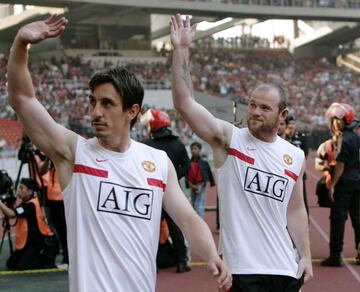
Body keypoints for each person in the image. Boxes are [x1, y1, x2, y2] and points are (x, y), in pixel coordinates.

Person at [7, 16, 232, 292]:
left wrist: (211, 254)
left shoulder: (157, 163)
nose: (95, 112)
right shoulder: (75, 154)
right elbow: (23, 100)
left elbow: (187, 219)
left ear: (132, 111)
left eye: (107, 104)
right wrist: (20, 44)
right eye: (92, 102)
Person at [170, 14, 312, 291]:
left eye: (264, 108)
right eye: (252, 105)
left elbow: (295, 209)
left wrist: (305, 255)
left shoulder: (294, 156)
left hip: (285, 268)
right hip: (242, 271)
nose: (255, 112)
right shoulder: (229, 139)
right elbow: (185, 104)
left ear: (282, 115)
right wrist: (181, 51)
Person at [144, 109, 191, 273]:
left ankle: (152, 264)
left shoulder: (146, 146)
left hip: (153, 192)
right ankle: (181, 261)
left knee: (151, 228)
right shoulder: (177, 144)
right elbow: (187, 166)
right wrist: (172, 179)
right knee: (175, 227)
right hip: (173, 193)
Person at [320, 103, 360, 267]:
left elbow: (340, 165)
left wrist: (333, 185)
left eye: (338, 119)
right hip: (358, 182)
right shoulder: (357, 135)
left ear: (346, 120)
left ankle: (335, 256)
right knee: (358, 219)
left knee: (338, 219)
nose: (335, 123)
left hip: (345, 184)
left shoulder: (345, 137)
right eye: (334, 119)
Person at [0, 178, 57, 270]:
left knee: (23, 266)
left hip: (38, 243)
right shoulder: (26, 202)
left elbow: (12, 214)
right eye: (19, 188)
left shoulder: (30, 205)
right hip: (28, 242)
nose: (19, 191)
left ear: (30, 191)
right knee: (11, 264)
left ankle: (45, 259)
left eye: (22, 188)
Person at [38, 155, 68, 268]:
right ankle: (66, 256)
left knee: (65, 230)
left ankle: (68, 258)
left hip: (62, 199)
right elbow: (41, 171)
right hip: (52, 199)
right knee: (58, 230)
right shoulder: (51, 160)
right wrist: (47, 158)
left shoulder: (63, 159)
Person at [285, 116, 309, 216]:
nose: (292, 126)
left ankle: (306, 222)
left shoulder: (300, 136)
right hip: (285, 172)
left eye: (293, 124)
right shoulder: (281, 137)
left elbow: (305, 153)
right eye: (289, 124)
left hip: (298, 173)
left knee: (302, 199)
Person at [187, 141, 215, 218]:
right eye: (192, 149)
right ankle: (196, 221)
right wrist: (191, 185)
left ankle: (200, 222)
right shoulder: (188, 162)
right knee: (193, 204)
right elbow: (186, 174)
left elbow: (206, 174)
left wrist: (201, 186)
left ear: (199, 150)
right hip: (192, 185)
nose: (193, 150)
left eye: (195, 149)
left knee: (198, 204)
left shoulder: (203, 162)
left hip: (201, 185)